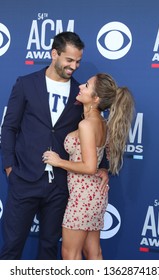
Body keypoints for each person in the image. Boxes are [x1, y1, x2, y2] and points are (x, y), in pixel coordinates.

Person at [0, 31, 109, 260]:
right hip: (24, 180)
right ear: (54, 54)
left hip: (60, 186)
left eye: (78, 61)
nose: (74, 66)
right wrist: (10, 167)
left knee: (49, 250)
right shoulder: (26, 84)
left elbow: (95, 125)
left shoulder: (80, 95)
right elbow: (9, 128)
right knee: (12, 247)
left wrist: (103, 165)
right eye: (69, 60)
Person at [42, 73, 135, 260]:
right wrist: (105, 169)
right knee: (93, 252)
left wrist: (58, 161)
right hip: (94, 196)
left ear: (96, 98)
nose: (80, 87)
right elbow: (100, 159)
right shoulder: (103, 123)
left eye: (86, 85)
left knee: (70, 255)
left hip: (83, 198)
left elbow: (90, 166)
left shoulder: (86, 125)